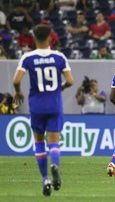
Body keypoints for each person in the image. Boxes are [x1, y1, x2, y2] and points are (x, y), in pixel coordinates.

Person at [13, 24, 74, 196]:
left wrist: (18, 92)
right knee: (54, 142)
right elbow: (71, 81)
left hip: (37, 106)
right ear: (50, 38)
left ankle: (45, 179)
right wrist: (59, 87)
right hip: (54, 104)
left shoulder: (27, 58)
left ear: (34, 38)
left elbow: (16, 80)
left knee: (39, 142)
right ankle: (55, 164)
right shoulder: (59, 57)